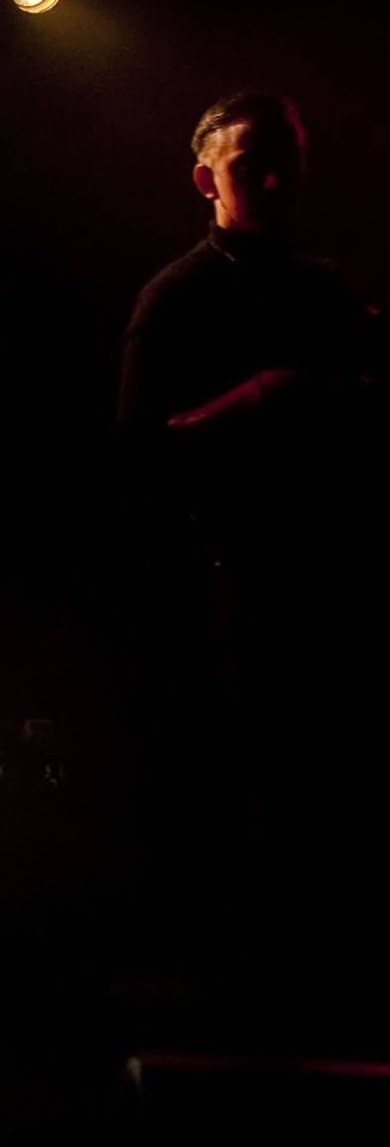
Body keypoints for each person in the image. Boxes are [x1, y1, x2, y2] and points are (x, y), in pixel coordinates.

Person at [114, 93, 387, 1000]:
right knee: (237, 800)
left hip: (330, 587)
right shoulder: (177, 296)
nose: (275, 180)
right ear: (206, 180)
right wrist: (261, 399)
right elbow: (138, 456)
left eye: (287, 163)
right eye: (250, 164)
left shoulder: (326, 290)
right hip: (219, 598)